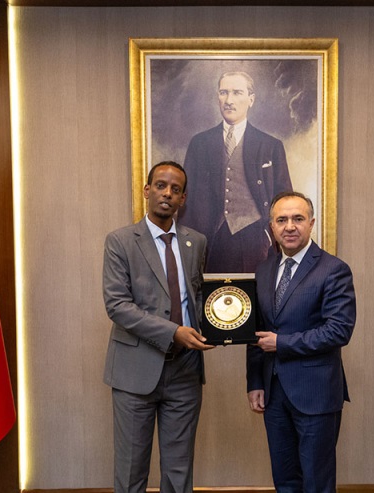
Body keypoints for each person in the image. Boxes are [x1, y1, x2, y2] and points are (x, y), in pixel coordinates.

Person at [102, 161, 214, 493]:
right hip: (135, 372)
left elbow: (196, 295)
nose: (167, 193)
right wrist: (172, 332)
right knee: (131, 472)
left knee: (179, 473)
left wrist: (219, 328)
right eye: (161, 186)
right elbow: (117, 305)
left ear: (183, 199)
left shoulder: (197, 242)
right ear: (147, 190)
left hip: (185, 371)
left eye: (175, 189)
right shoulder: (120, 241)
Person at [246, 191, 357, 493]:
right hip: (273, 394)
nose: (290, 226)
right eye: (282, 220)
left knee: (317, 482)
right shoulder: (264, 270)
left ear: (311, 223)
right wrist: (255, 382)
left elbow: (338, 331)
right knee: (284, 480)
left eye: (298, 218)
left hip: (315, 393)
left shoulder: (333, 269)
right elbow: (257, 331)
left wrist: (282, 343)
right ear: (272, 226)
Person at [180, 71, 293, 273]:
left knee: (256, 293)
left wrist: (273, 238)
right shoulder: (199, 143)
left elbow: (286, 201)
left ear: (251, 99)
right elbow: (186, 201)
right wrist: (187, 246)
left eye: (237, 92)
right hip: (209, 241)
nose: (229, 100)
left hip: (255, 242)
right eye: (223, 92)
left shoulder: (270, 146)